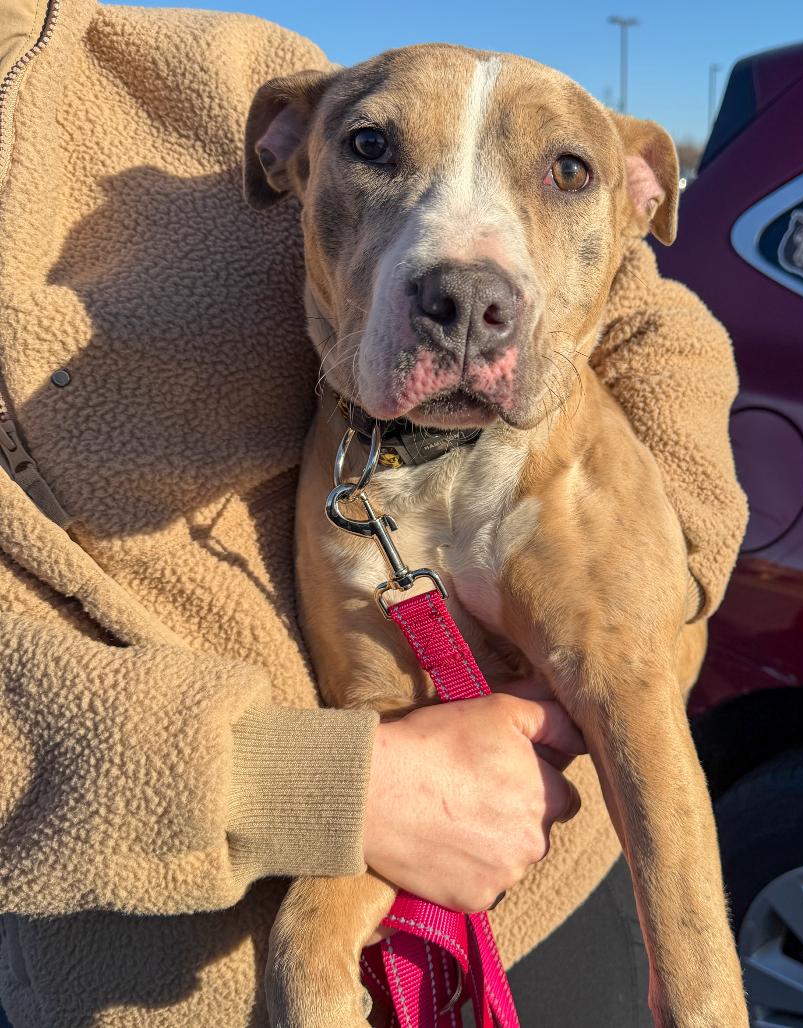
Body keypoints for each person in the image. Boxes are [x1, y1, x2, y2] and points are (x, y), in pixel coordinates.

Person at [0, 1, 747, 1025]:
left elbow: (654, 319)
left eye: (567, 174)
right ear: (291, 163)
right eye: (377, 153)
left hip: (560, 865)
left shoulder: (215, 66)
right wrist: (338, 785)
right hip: (149, 963)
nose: (470, 285)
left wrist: (667, 562)